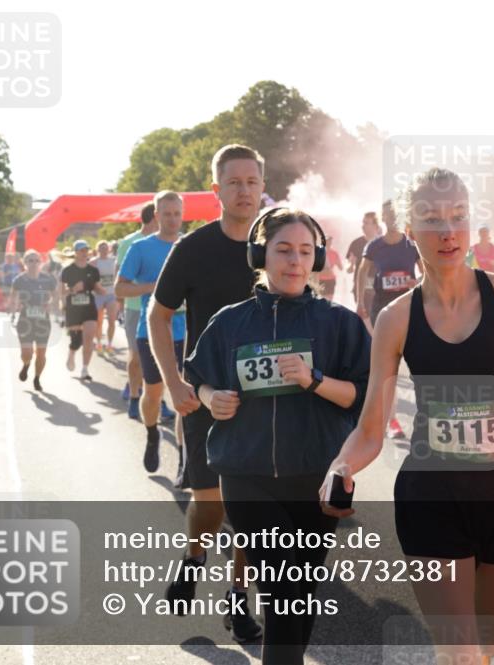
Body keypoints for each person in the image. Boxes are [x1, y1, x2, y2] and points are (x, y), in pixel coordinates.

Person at [321, 168, 494, 664]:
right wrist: (340, 468)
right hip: (432, 498)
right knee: (459, 652)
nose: (448, 231)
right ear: (410, 231)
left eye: (458, 216)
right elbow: (370, 431)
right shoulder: (396, 319)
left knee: (493, 642)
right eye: (432, 219)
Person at [185, 207, 370, 664]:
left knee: (300, 592)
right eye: (283, 250)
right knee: (283, 585)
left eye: (305, 252)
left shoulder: (340, 323)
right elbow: (199, 378)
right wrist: (211, 398)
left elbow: (361, 398)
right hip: (246, 474)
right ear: (259, 255)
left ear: (318, 259)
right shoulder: (230, 321)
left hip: (318, 478)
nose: (295, 261)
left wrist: (314, 380)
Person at [150, 144, 263, 643]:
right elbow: (158, 316)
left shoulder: (277, 242)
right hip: (204, 393)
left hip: (264, 398)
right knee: (211, 503)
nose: (244, 190)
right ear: (216, 191)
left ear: (263, 186)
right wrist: (174, 383)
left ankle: (238, 600)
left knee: (247, 508)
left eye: (252, 181)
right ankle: (195, 555)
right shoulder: (192, 249)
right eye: (233, 182)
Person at [116, 191, 187, 474]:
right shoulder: (141, 249)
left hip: (188, 331)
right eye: (166, 213)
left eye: (177, 214)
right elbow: (120, 289)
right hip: (153, 331)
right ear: (156, 216)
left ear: (183, 215)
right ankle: (152, 433)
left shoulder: (189, 247)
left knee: (187, 397)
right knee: (154, 393)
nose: (172, 219)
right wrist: (154, 287)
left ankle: (184, 459)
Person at [356, 199, 422, 439]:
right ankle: (392, 421)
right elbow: (362, 272)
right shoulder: (375, 246)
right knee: (388, 368)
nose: (391, 218)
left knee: (420, 367)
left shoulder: (412, 245)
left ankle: (428, 419)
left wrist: (418, 284)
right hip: (383, 312)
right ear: (382, 218)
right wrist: (360, 301)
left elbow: (428, 274)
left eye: (395, 214)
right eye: (387, 214)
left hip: (411, 310)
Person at [116, 202, 157, 420]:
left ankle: (155, 401)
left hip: (162, 310)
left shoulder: (171, 241)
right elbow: (119, 276)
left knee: (159, 359)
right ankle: (134, 396)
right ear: (154, 217)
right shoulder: (130, 243)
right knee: (137, 356)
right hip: (135, 308)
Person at [9, 249, 57, 392]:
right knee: (27, 353)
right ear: (25, 263)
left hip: (43, 321)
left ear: (40, 263)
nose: (34, 263)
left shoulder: (47, 279)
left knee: (41, 353)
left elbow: (56, 296)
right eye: (30, 260)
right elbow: (13, 298)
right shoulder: (19, 280)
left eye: (36, 260)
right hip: (25, 320)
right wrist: (13, 312)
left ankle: (37, 378)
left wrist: (51, 305)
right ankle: (26, 364)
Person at [59, 240, 105, 381]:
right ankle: (72, 352)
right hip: (73, 308)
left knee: (89, 338)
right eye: (82, 250)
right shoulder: (67, 270)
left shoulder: (93, 271)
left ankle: (85, 369)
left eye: (86, 250)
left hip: (89, 306)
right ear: (76, 253)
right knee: (77, 340)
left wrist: (103, 290)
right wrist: (73, 289)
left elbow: (97, 287)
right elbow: (61, 292)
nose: (85, 253)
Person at [345, 211, 381, 317]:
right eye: (363, 222)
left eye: (366, 223)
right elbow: (348, 270)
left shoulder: (383, 243)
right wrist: (351, 265)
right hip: (361, 290)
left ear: (375, 225)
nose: (363, 226)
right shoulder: (356, 243)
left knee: (378, 320)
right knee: (364, 320)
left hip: (379, 289)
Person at [91, 240, 120, 353]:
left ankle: (109, 344)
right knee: (99, 321)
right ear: (97, 250)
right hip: (98, 295)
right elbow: (90, 279)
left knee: (112, 320)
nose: (103, 250)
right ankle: (98, 343)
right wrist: (97, 287)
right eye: (101, 248)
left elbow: (118, 276)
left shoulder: (114, 261)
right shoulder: (93, 262)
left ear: (109, 249)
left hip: (111, 295)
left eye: (105, 248)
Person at [315, 234, 343, 301]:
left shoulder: (334, 253)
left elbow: (341, 268)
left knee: (329, 301)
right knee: (320, 300)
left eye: (330, 241)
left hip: (331, 279)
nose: (328, 243)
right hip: (321, 280)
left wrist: (338, 263)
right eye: (327, 241)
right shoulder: (318, 253)